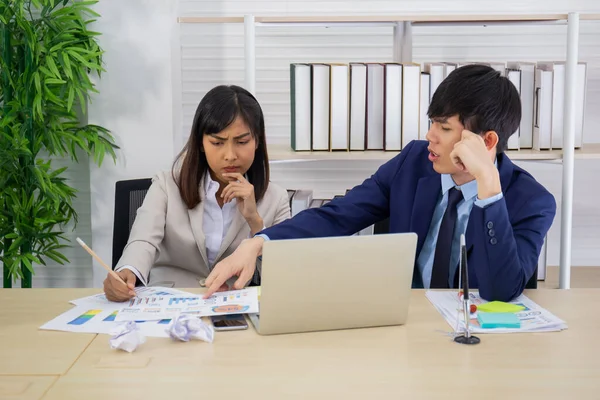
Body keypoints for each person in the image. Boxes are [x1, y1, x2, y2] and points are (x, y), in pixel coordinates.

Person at [203, 64, 556, 302]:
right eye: (432, 122)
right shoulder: (413, 163)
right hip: (405, 327)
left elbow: (501, 291)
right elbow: (337, 216)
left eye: (445, 128)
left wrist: (489, 190)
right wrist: (259, 243)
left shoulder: (532, 202)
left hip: (478, 345)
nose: (430, 136)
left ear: (488, 142)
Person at [103, 85, 291, 302]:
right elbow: (143, 241)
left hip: (230, 306)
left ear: (257, 141)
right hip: (170, 302)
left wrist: (254, 220)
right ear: (201, 143)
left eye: (241, 142)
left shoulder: (275, 198)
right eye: (217, 143)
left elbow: (283, 274)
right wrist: (128, 271)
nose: (230, 155)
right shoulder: (167, 185)